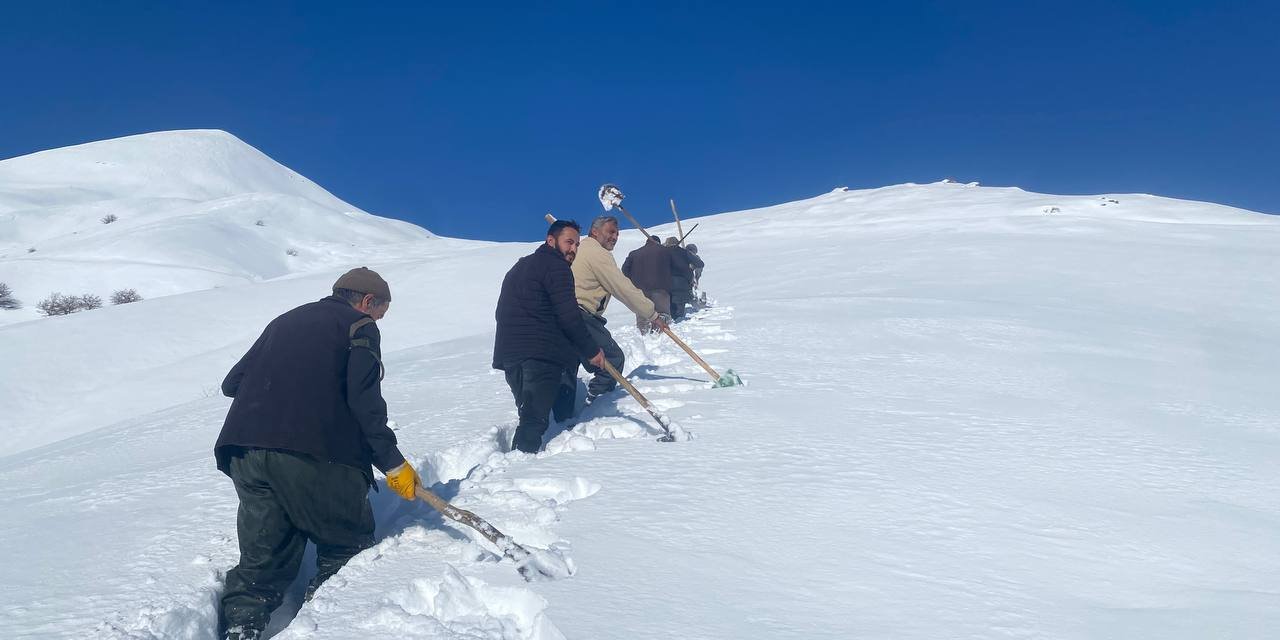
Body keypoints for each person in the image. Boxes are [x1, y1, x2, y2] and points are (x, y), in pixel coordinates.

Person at [214, 267, 421, 640]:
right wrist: (392, 462)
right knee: (346, 543)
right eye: (379, 312)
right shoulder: (359, 327)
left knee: (264, 555)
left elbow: (232, 384)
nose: (377, 320)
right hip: (314, 452)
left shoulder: (285, 321)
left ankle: (242, 627)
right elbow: (364, 403)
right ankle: (327, 624)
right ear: (368, 301)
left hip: (244, 450)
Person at [493, 219, 605, 453]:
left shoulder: (520, 266)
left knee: (530, 415)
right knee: (534, 421)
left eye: (576, 245)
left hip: (511, 355)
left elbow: (500, 311)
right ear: (550, 240)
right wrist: (592, 350)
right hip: (540, 354)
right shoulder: (557, 267)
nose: (573, 249)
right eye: (569, 242)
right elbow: (569, 315)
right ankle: (519, 468)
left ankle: (517, 459)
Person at [572, 216, 670, 401]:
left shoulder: (578, 250)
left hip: (564, 315)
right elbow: (622, 287)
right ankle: (595, 405)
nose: (615, 237)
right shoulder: (596, 253)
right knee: (611, 360)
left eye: (617, 233)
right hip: (581, 315)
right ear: (594, 231)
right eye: (610, 232)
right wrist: (652, 314)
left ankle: (565, 414)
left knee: (570, 366)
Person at [622, 235, 691, 333]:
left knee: (643, 317)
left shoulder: (634, 254)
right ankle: (659, 339)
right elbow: (680, 267)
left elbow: (624, 271)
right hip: (661, 290)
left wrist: (634, 283)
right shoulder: (666, 251)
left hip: (640, 292)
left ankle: (644, 337)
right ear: (658, 242)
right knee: (662, 315)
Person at [665, 237, 704, 321]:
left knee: (670, 306)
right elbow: (700, 264)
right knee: (680, 309)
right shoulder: (684, 252)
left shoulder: (662, 253)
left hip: (666, 284)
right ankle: (679, 322)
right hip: (683, 283)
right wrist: (691, 267)